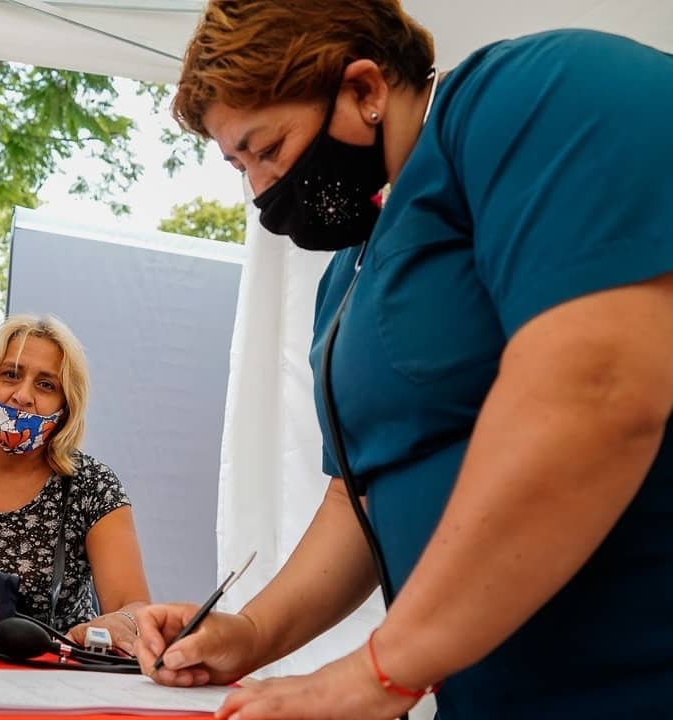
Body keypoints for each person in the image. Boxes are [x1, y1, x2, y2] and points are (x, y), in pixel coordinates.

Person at [133, 2, 673, 719]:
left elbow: (599, 387)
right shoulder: (351, 275)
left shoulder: (539, 91)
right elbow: (358, 496)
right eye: (240, 166)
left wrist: (377, 672)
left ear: (365, 89)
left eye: (268, 150)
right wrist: (250, 632)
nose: (260, 191)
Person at [0, 314, 150, 654]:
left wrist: (121, 622)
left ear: (66, 406)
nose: (22, 395)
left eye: (46, 385)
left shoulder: (93, 486)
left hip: (50, 681)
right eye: (10, 374)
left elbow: (135, 605)